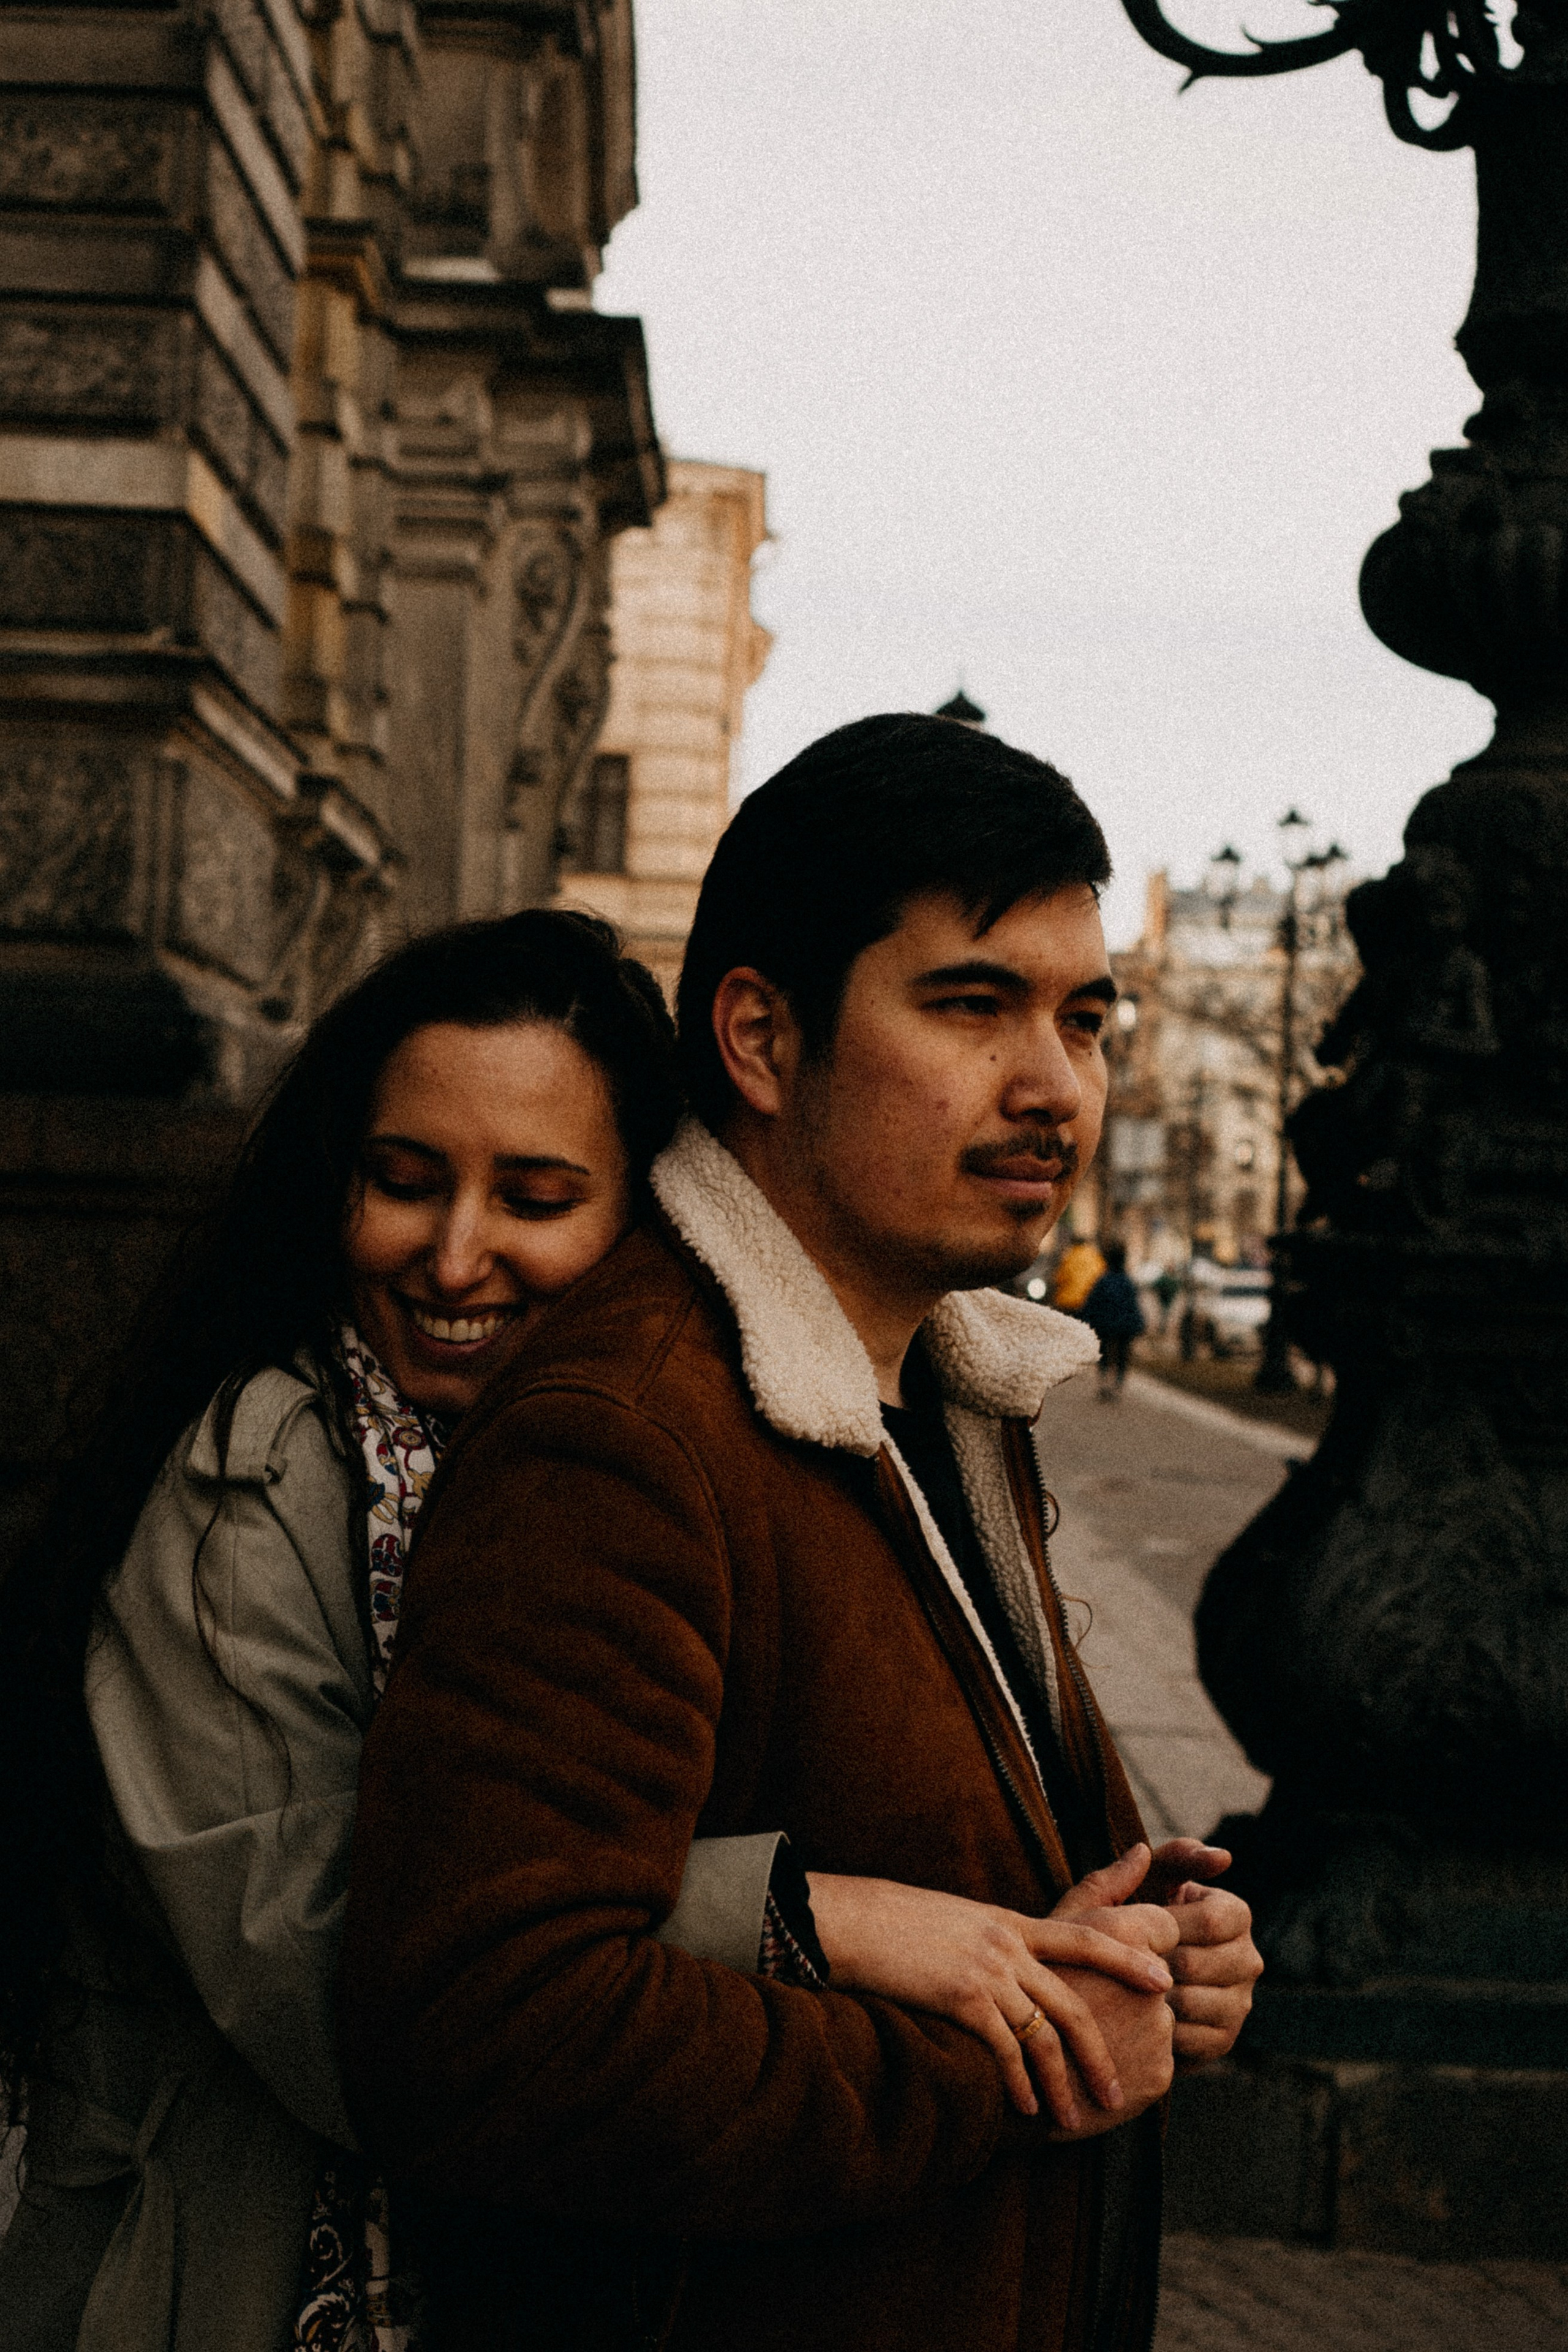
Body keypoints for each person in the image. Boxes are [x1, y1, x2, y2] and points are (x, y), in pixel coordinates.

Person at [0, 910, 1171, 2352]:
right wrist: (814, 1917)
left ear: (642, 1220)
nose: (453, 1254)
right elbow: (355, 2000)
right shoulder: (251, 1488)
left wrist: (1132, 1937)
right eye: (403, 1180)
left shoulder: (646, 1468)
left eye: (536, 1195)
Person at [341, 715, 1262, 2352]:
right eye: (973, 1006)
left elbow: (967, 1888)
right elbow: (489, 2030)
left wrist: (1149, 1943)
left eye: (1086, 1017)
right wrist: (1019, 2061)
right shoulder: (628, 1439)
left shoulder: (952, 1402)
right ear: (761, 1041)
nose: (1054, 1084)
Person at [1081, 1240, 1147, 1401]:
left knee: (1103, 1353)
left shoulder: (1102, 1281)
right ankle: (1118, 1385)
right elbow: (1133, 1306)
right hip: (1124, 1326)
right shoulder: (1128, 1282)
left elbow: (1092, 1304)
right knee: (1123, 1356)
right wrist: (1139, 1324)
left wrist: (1085, 1320)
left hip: (1104, 1324)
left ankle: (1103, 1382)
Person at [1052, 1232, 1106, 1314]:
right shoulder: (1095, 1257)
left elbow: (1059, 1278)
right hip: (1087, 1301)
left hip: (1067, 1301)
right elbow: (1101, 1276)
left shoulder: (1070, 1256)